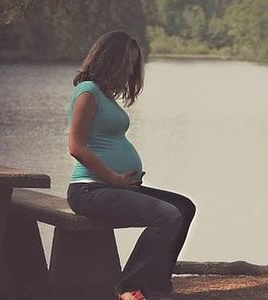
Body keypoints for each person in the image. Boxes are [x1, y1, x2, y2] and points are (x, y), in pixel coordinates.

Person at [66, 30, 196, 300]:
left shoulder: (103, 95)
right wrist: (113, 177)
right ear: (110, 59)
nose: (130, 69)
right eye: (127, 62)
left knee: (184, 207)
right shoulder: (87, 92)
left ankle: (156, 284)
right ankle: (129, 288)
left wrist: (122, 178)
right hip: (89, 190)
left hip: (114, 187)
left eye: (134, 64)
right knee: (167, 215)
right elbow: (76, 147)